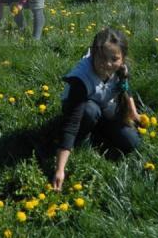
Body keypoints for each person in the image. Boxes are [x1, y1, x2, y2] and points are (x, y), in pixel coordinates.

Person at [52, 27, 142, 191]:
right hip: (80, 109)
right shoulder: (81, 79)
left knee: (132, 142)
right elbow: (71, 125)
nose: (107, 64)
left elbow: (124, 87)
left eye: (114, 59)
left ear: (122, 58)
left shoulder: (120, 68)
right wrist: (60, 170)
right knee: (90, 111)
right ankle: (83, 138)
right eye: (102, 57)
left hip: (104, 104)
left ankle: (98, 129)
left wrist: (133, 112)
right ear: (93, 53)